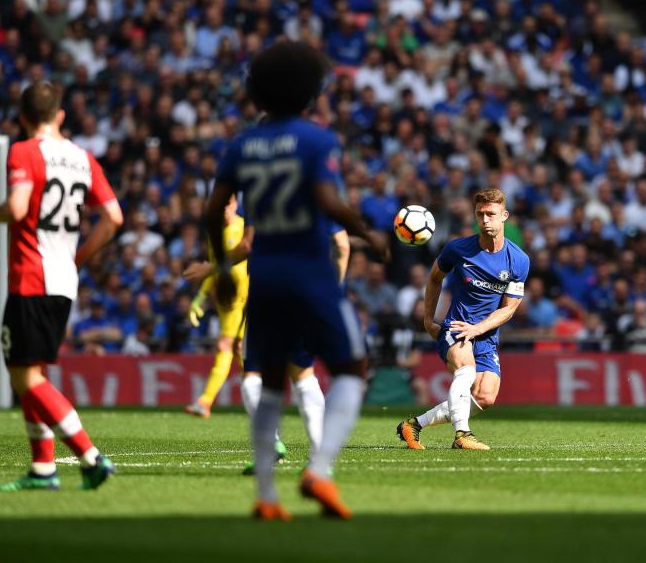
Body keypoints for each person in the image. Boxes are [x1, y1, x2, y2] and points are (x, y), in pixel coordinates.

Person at [204, 41, 388, 521]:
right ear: (311, 91)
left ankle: (267, 496)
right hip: (309, 272)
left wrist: (223, 270)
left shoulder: (242, 144)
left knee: (266, 385)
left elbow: (212, 210)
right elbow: (328, 201)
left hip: (264, 275)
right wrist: (368, 231)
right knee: (351, 368)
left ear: (256, 92)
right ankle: (319, 470)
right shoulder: (317, 139)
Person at [0, 82, 124, 491]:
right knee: (34, 371)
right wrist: (79, 257)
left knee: (24, 378)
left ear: (23, 119)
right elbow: (113, 218)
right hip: (63, 280)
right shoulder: (83, 158)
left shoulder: (24, 151)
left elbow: (19, 207)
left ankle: (91, 457)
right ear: (60, 115)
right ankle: (43, 468)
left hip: (31, 277)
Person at [184, 220, 351, 473]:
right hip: (310, 294)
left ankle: (271, 445)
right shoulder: (318, 190)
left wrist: (212, 267)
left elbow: (248, 244)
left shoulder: (261, 192)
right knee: (303, 374)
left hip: (268, 292)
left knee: (252, 374)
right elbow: (342, 245)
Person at [396, 188, 529, 451]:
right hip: (456, 327)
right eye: (480, 214)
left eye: (491, 214)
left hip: (486, 335)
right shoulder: (458, 249)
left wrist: (479, 328)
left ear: (504, 216)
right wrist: (428, 319)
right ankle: (462, 435)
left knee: (484, 396)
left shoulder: (519, 260)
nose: (485, 220)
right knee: (465, 369)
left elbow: (509, 309)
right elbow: (434, 278)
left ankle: (413, 425)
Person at [183, 194, 249, 419]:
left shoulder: (243, 228)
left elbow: (242, 257)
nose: (224, 209)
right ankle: (259, 397)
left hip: (241, 297)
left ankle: (205, 400)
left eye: (227, 204)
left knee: (225, 345)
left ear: (235, 204)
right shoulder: (214, 234)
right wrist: (200, 297)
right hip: (224, 298)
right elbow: (213, 268)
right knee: (239, 349)